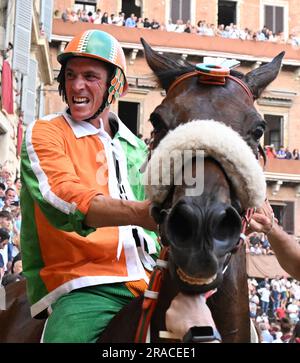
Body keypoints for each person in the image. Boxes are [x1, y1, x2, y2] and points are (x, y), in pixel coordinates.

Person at [20, 29, 159, 343]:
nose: (76, 86)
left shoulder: (137, 147)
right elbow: (63, 198)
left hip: (153, 277)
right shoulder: (44, 132)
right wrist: (144, 213)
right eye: (70, 75)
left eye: (90, 76)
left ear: (115, 86)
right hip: (84, 283)